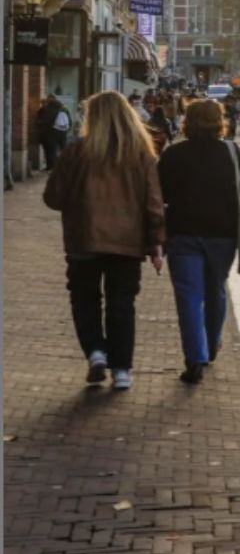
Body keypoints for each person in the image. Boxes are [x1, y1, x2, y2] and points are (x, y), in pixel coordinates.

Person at [42, 92, 164, 392]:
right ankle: (122, 369)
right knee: (122, 304)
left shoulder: (77, 151)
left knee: (84, 299)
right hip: (127, 242)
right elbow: (153, 204)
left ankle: (96, 352)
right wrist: (156, 244)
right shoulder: (141, 153)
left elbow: (53, 197)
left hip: (83, 240)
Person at [157, 100, 240, 384]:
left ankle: (195, 357)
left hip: (183, 232)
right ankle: (212, 342)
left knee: (189, 297)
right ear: (220, 121)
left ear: (187, 121)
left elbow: (161, 193)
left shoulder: (174, 154)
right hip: (223, 233)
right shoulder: (231, 151)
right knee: (216, 288)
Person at [35, 95, 71, 172]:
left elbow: (46, 122)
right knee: (62, 149)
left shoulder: (49, 109)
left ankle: (52, 167)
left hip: (51, 133)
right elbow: (69, 121)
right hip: (63, 132)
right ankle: (65, 167)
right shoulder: (64, 109)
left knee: (51, 151)